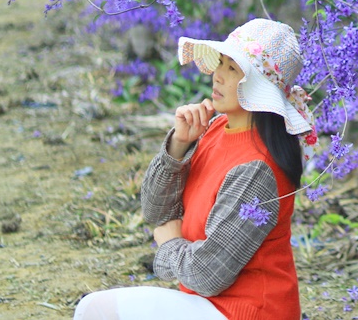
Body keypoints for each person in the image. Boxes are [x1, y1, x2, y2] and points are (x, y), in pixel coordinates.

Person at [74, 18, 319, 320]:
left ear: (258, 86)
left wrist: (169, 244)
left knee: (94, 310)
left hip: (246, 312)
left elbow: (206, 274)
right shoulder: (215, 129)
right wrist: (178, 145)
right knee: (95, 308)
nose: (218, 76)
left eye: (233, 69)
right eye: (221, 63)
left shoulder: (256, 168)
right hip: (204, 305)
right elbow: (154, 211)